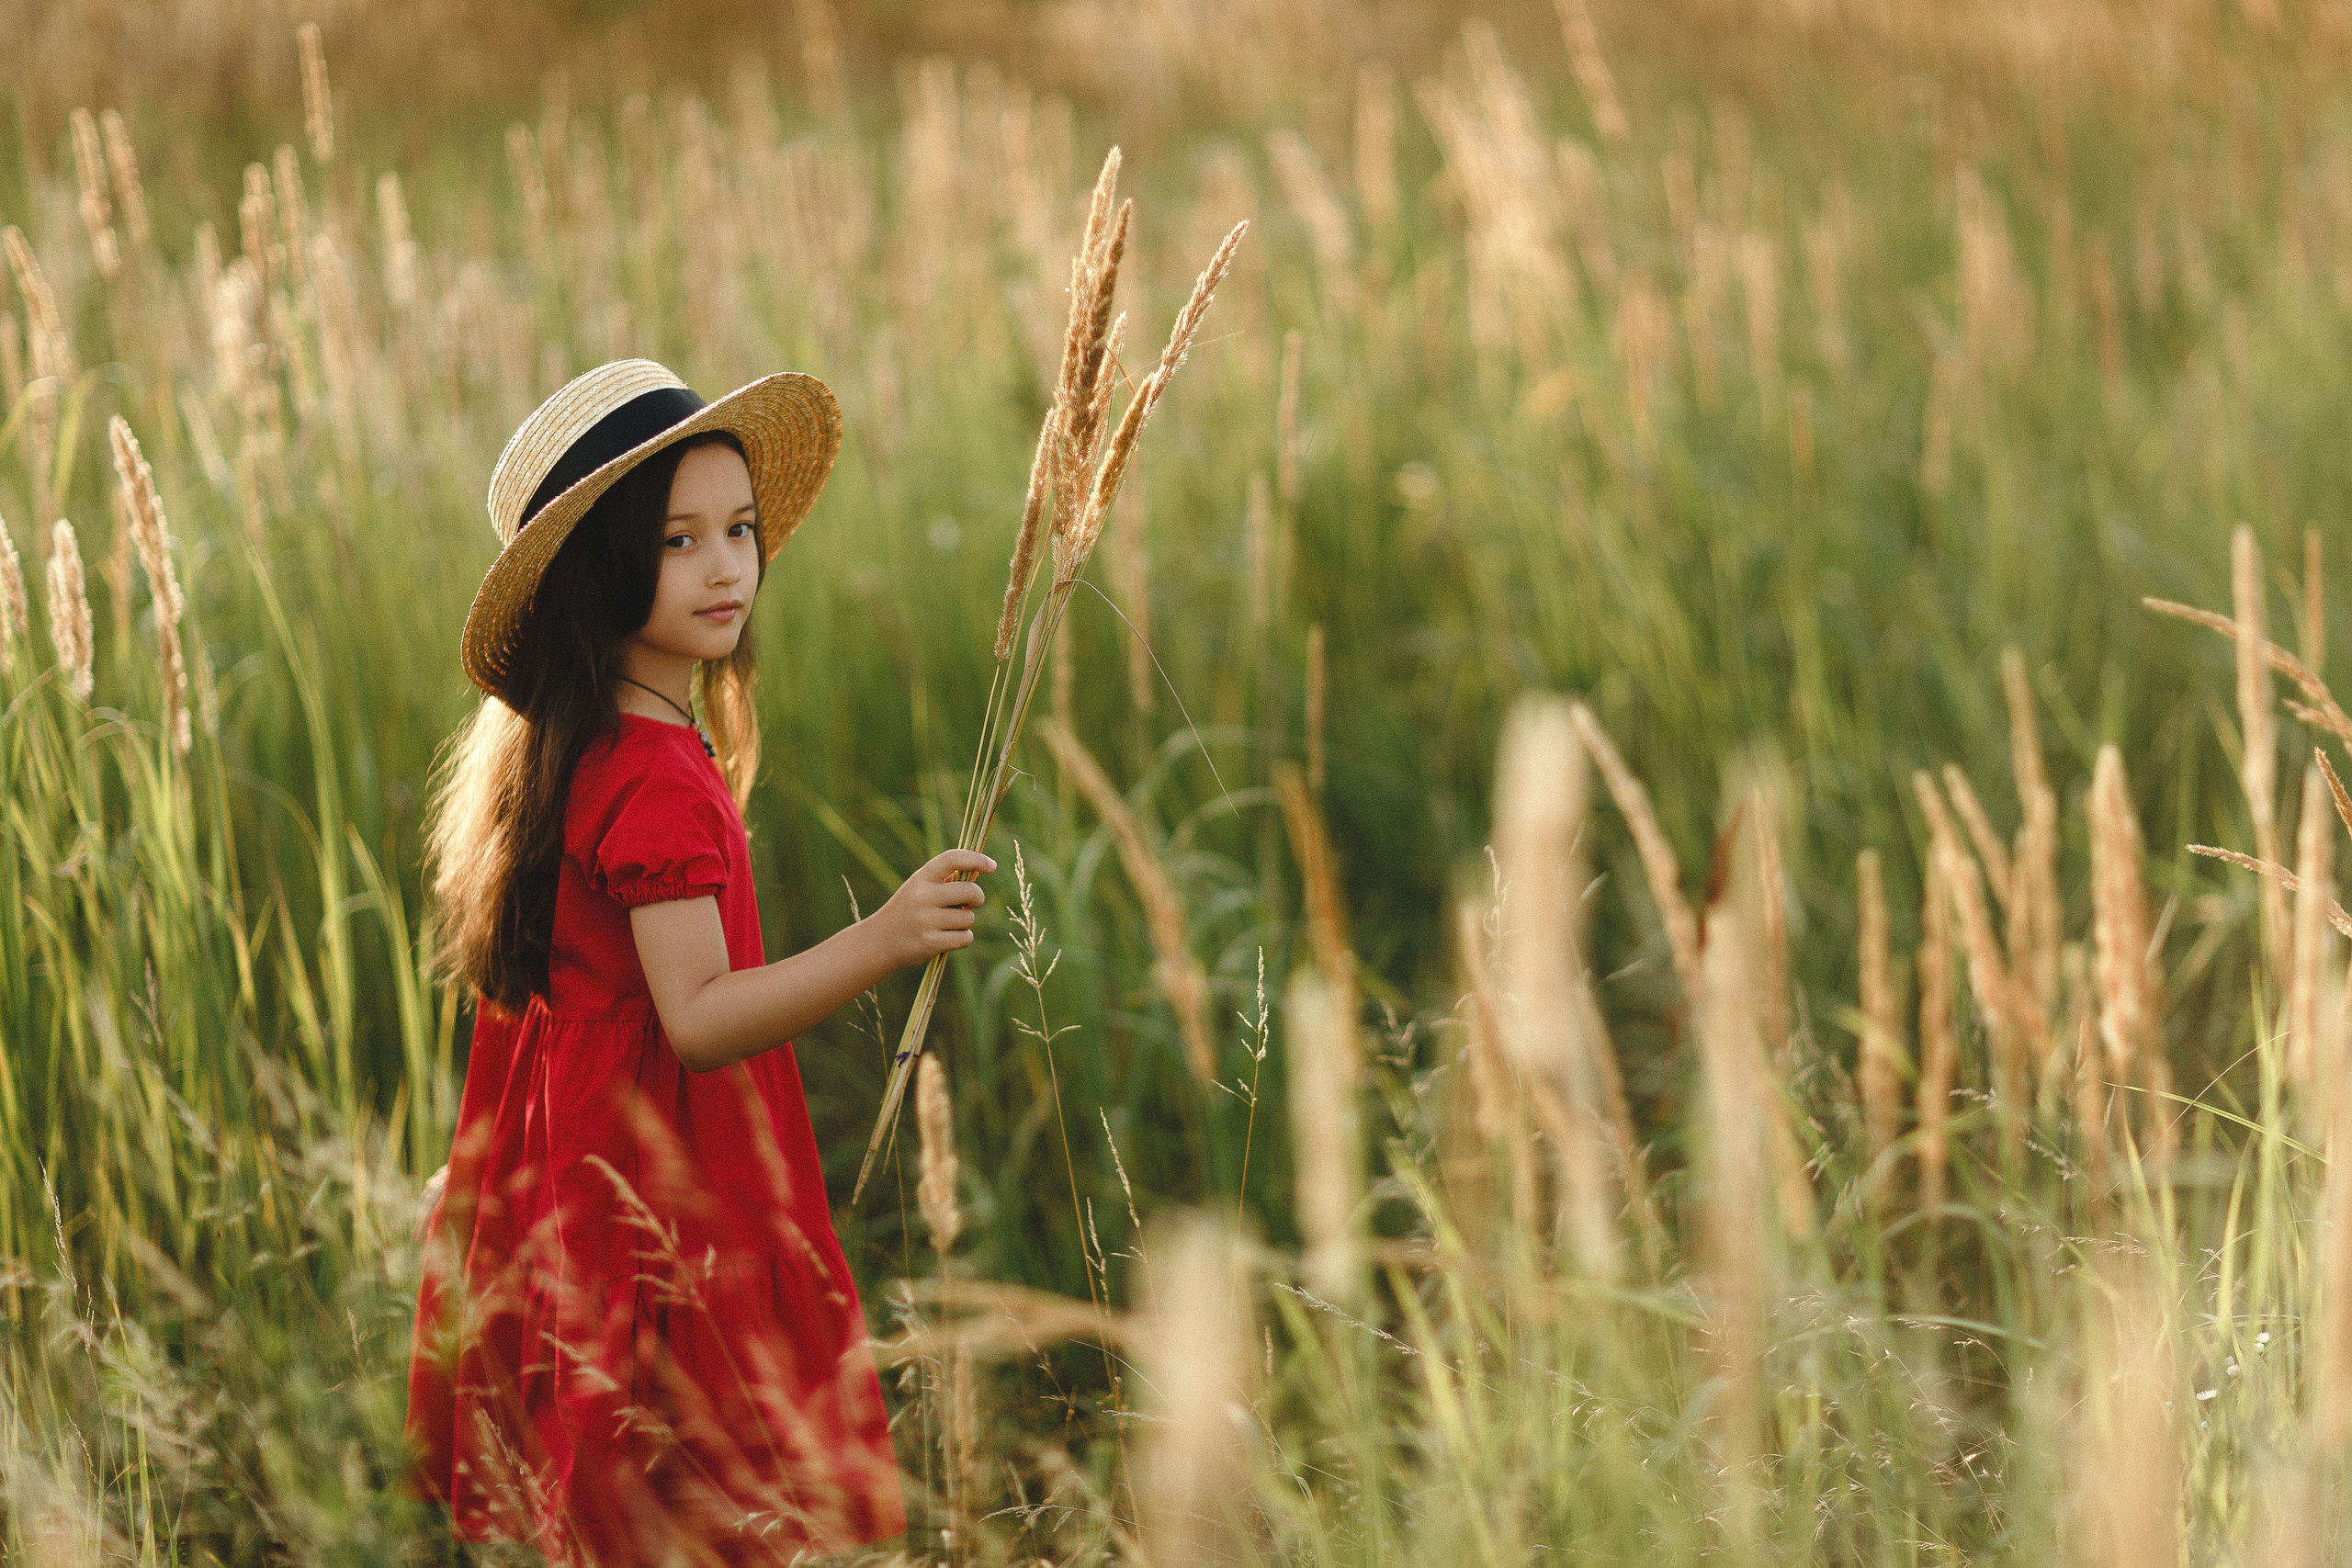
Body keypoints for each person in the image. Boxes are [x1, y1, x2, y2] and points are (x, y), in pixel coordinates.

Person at [404, 358, 989, 1564]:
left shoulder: (592, 739)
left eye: (739, 530)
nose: (728, 567)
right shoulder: (657, 775)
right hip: (663, 1174)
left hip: (593, 1159)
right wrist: (884, 938)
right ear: (600, 575)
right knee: (697, 1474)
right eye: (679, 541)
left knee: (628, 1473)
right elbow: (702, 1016)